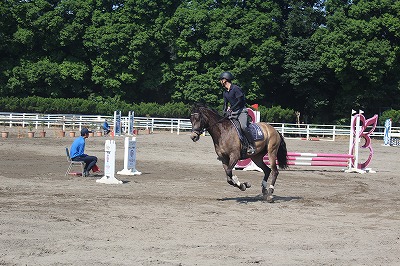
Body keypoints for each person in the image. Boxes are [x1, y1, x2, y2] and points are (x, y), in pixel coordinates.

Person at [220, 71, 255, 155]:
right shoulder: (225, 92)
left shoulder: (236, 88)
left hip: (241, 111)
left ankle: (251, 145)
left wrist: (231, 109)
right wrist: (224, 112)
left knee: (243, 127)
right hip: (233, 112)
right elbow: (225, 104)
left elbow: (240, 101)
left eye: (221, 79)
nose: (220, 81)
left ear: (225, 80)